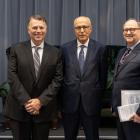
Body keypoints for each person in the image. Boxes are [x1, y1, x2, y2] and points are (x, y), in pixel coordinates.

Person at [4, 15, 63, 140]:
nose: (38, 30)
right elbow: (12, 76)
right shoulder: (16, 49)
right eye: (34, 27)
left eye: (41, 27)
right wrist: (27, 102)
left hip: (43, 110)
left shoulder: (55, 52)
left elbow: (57, 80)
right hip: (19, 109)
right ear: (28, 29)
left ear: (46, 30)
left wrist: (40, 101)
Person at [61, 16, 108, 140]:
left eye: (85, 27)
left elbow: (102, 76)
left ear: (91, 29)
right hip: (70, 103)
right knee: (69, 136)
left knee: (93, 136)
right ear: (74, 30)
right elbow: (61, 75)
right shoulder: (64, 49)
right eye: (78, 27)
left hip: (91, 103)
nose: (82, 30)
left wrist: (98, 97)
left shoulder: (100, 48)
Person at [112, 19, 140, 140]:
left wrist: (139, 112)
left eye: (132, 29)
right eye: (125, 30)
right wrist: (114, 104)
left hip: (135, 112)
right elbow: (117, 79)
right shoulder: (121, 52)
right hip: (122, 110)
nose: (128, 32)